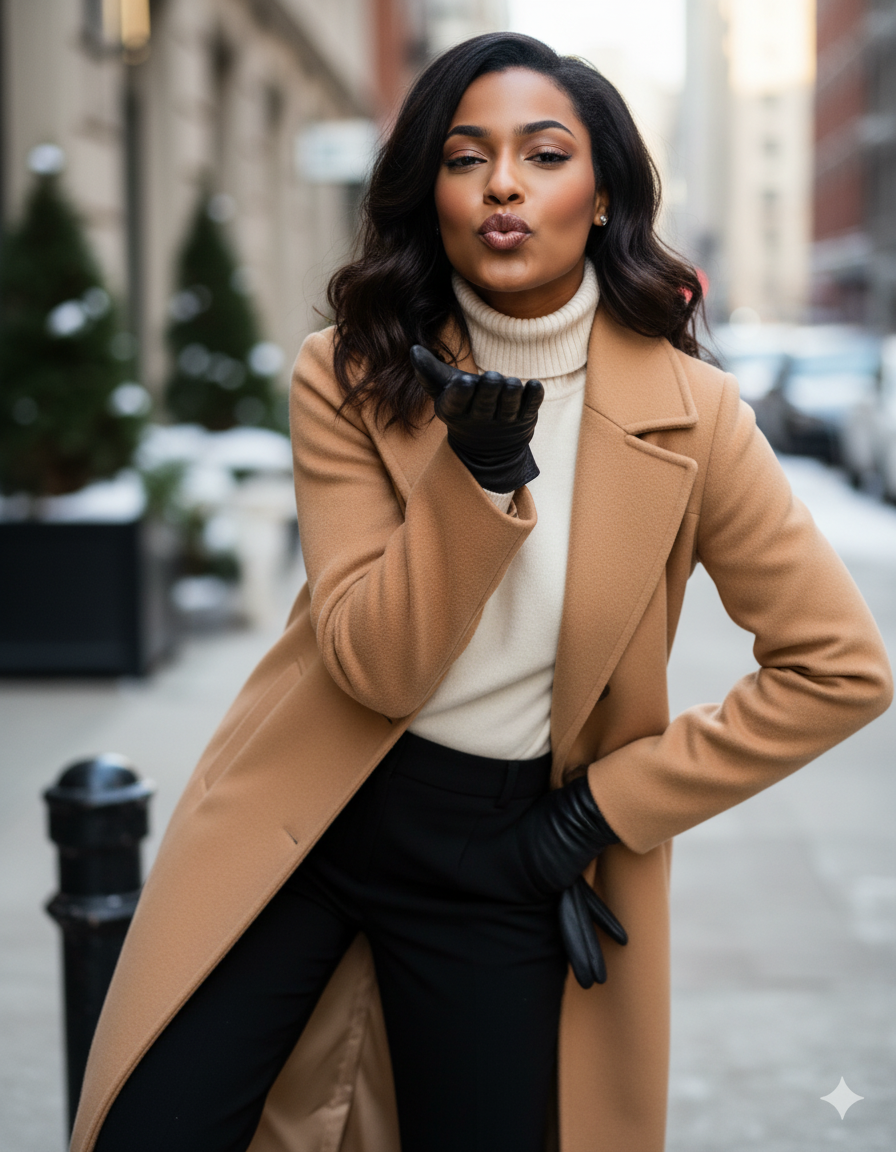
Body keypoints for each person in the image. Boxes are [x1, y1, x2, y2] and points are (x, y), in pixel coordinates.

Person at [77, 32, 891, 1152]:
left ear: (601, 193)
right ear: (434, 195)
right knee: (151, 1129)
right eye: (466, 159)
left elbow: (838, 669)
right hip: (310, 812)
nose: (502, 183)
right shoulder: (351, 370)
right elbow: (377, 662)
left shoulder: (693, 414)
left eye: (542, 154)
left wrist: (597, 814)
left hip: (507, 852)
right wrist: (475, 479)